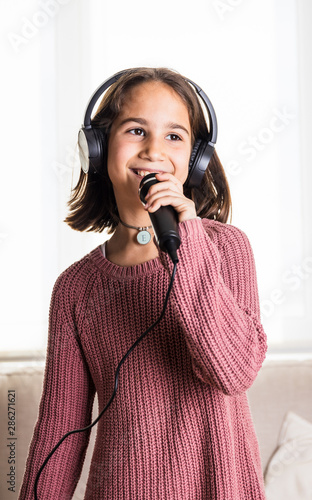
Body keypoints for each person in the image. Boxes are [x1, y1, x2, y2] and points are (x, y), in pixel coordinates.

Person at [19, 67, 267, 499]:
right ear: (96, 149)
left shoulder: (226, 250)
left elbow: (233, 371)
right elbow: (60, 433)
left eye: (174, 136)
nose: (154, 150)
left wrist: (186, 241)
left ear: (195, 158)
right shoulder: (76, 289)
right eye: (136, 130)